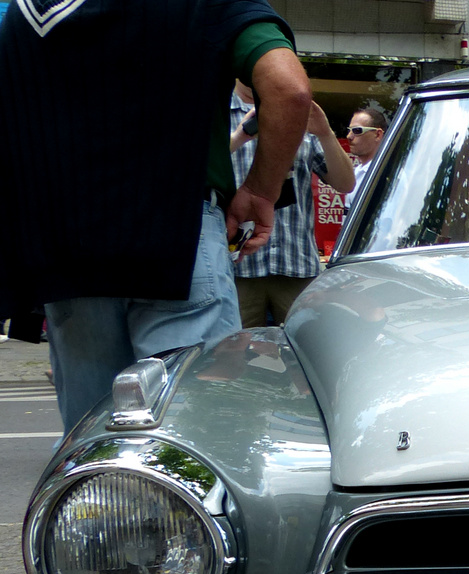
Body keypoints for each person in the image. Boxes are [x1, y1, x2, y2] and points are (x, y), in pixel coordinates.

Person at [0, 0, 310, 433]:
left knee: (95, 443)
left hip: (66, 250)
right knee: (198, 437)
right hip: (179, 233)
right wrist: (260, 188)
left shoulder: (26, 11)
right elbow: (289, 88)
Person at [231, 85, 355, 325]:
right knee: (234, 353)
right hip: (237, 267)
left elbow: (345, 183)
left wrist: (325, 133)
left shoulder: (296, 111)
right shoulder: (218, 111)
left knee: (305, 350)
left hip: (295, 263)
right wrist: (239, 137)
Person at [344, 105, 389, 209]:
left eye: (357, 130)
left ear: (378, 135)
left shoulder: (387, 174)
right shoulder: (358, 171)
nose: (349, 136)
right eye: (350, 130)